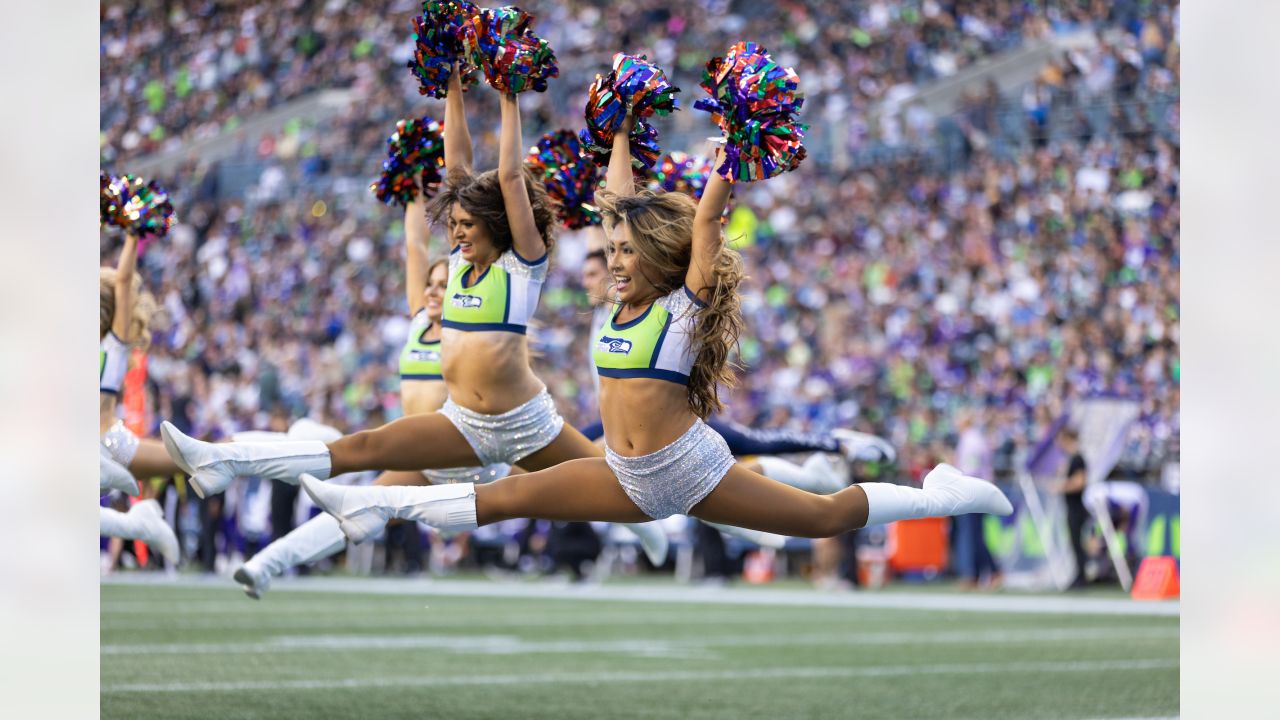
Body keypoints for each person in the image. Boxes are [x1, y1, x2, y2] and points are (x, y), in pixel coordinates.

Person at [284, 112, 1013, 546]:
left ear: (661, 260)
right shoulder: (616, 304)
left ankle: (943, 493)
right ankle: (371, 501)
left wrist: (731, 152)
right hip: (626, 479)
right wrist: (624, 128)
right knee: (504, 498)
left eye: (627, 255)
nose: (612, 263)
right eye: (611, 254)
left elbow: (703, 221)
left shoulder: (682, 309)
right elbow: (615, 203)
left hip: (691, 471)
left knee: (823, 519)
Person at [161, 68, 671, 587]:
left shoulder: (522, 265)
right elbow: (456, 172)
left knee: (615, 483)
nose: (457, 234)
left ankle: (649, 531)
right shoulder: (455, 265)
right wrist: (451, 83)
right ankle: (222, 461)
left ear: (496, 225)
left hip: (525, 422)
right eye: (453, 227)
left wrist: (506, 93)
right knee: (360, 449)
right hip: (463, 422)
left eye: (467, 226)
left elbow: (511, 177)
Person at [99, 231, 179, 565]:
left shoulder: (114, 343)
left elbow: (123, 279)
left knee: (199, 457)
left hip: (105, 440)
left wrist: (133, 236)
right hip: (106, 439)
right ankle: (137, 525)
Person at [1056, 429, 1090, 589]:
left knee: (1077, 543)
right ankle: (1079, 575)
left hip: (1076, 507)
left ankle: (1081, 577)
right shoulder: (1071, 459)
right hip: (1072, 507)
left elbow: (1080, 482)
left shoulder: (1077, 458)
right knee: (1074, 543)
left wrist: (1062, 487)